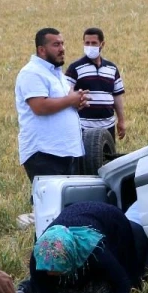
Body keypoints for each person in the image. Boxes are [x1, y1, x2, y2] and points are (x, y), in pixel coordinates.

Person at [15, 27, 88, 182]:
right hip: (45, 154)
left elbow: (63, 102)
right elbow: (40, 106)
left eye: (62, 44)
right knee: (50, 204)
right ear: (41, 50)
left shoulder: (57, 74)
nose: (62, 49)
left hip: (66, 152)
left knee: (67, 204)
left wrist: (76, 102)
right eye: (56, 45)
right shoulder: (32, 73)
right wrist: (70, 100)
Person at [65, 27, 127, 141]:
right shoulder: (75, 68)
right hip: (83, 127)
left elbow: (117, 96)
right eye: (87, 43)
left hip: (108, 127)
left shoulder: (111, 68)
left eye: (94, 43)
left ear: (102, 44)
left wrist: (121, 121)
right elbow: (65, 94)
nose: (90, 46)